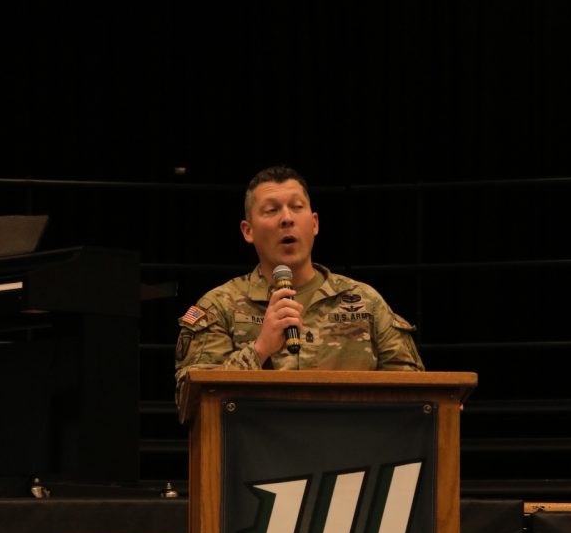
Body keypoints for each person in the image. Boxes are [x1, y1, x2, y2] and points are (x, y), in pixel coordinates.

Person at [174, 165, 424, 401]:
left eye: (296, 207)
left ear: (314, 223)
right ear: (247, 230)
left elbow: (417, 395)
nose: (287, 219)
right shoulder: (219, 307)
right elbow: (192, 399)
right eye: (271, 210)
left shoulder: (365, 302)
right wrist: (260, 349)